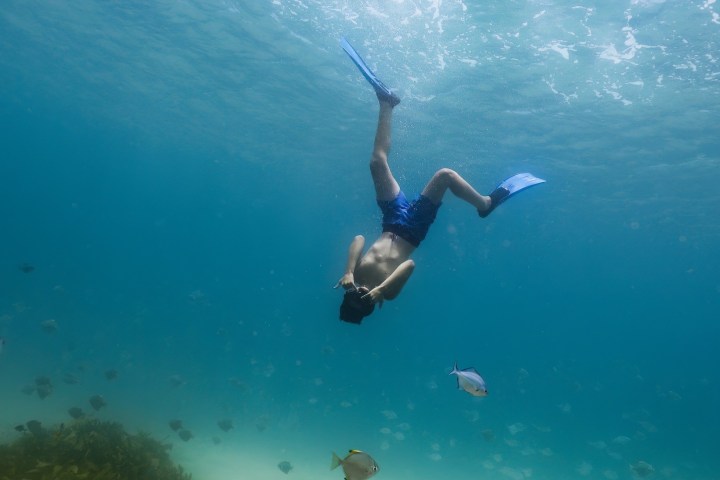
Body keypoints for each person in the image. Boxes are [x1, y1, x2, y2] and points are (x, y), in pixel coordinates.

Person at [336, 38, 544, 324]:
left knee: (376, 163)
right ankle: (484, 204)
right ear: (369, 307)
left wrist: (348, 270)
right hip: (413, 228)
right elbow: (408, 264)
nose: (357, 296)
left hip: (391, 218)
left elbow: (359, 239)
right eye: (361, 304)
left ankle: (387, 103)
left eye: (351, 300)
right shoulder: (389, 294)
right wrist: (381, 291)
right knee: (445, 175)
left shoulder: (354, 277)